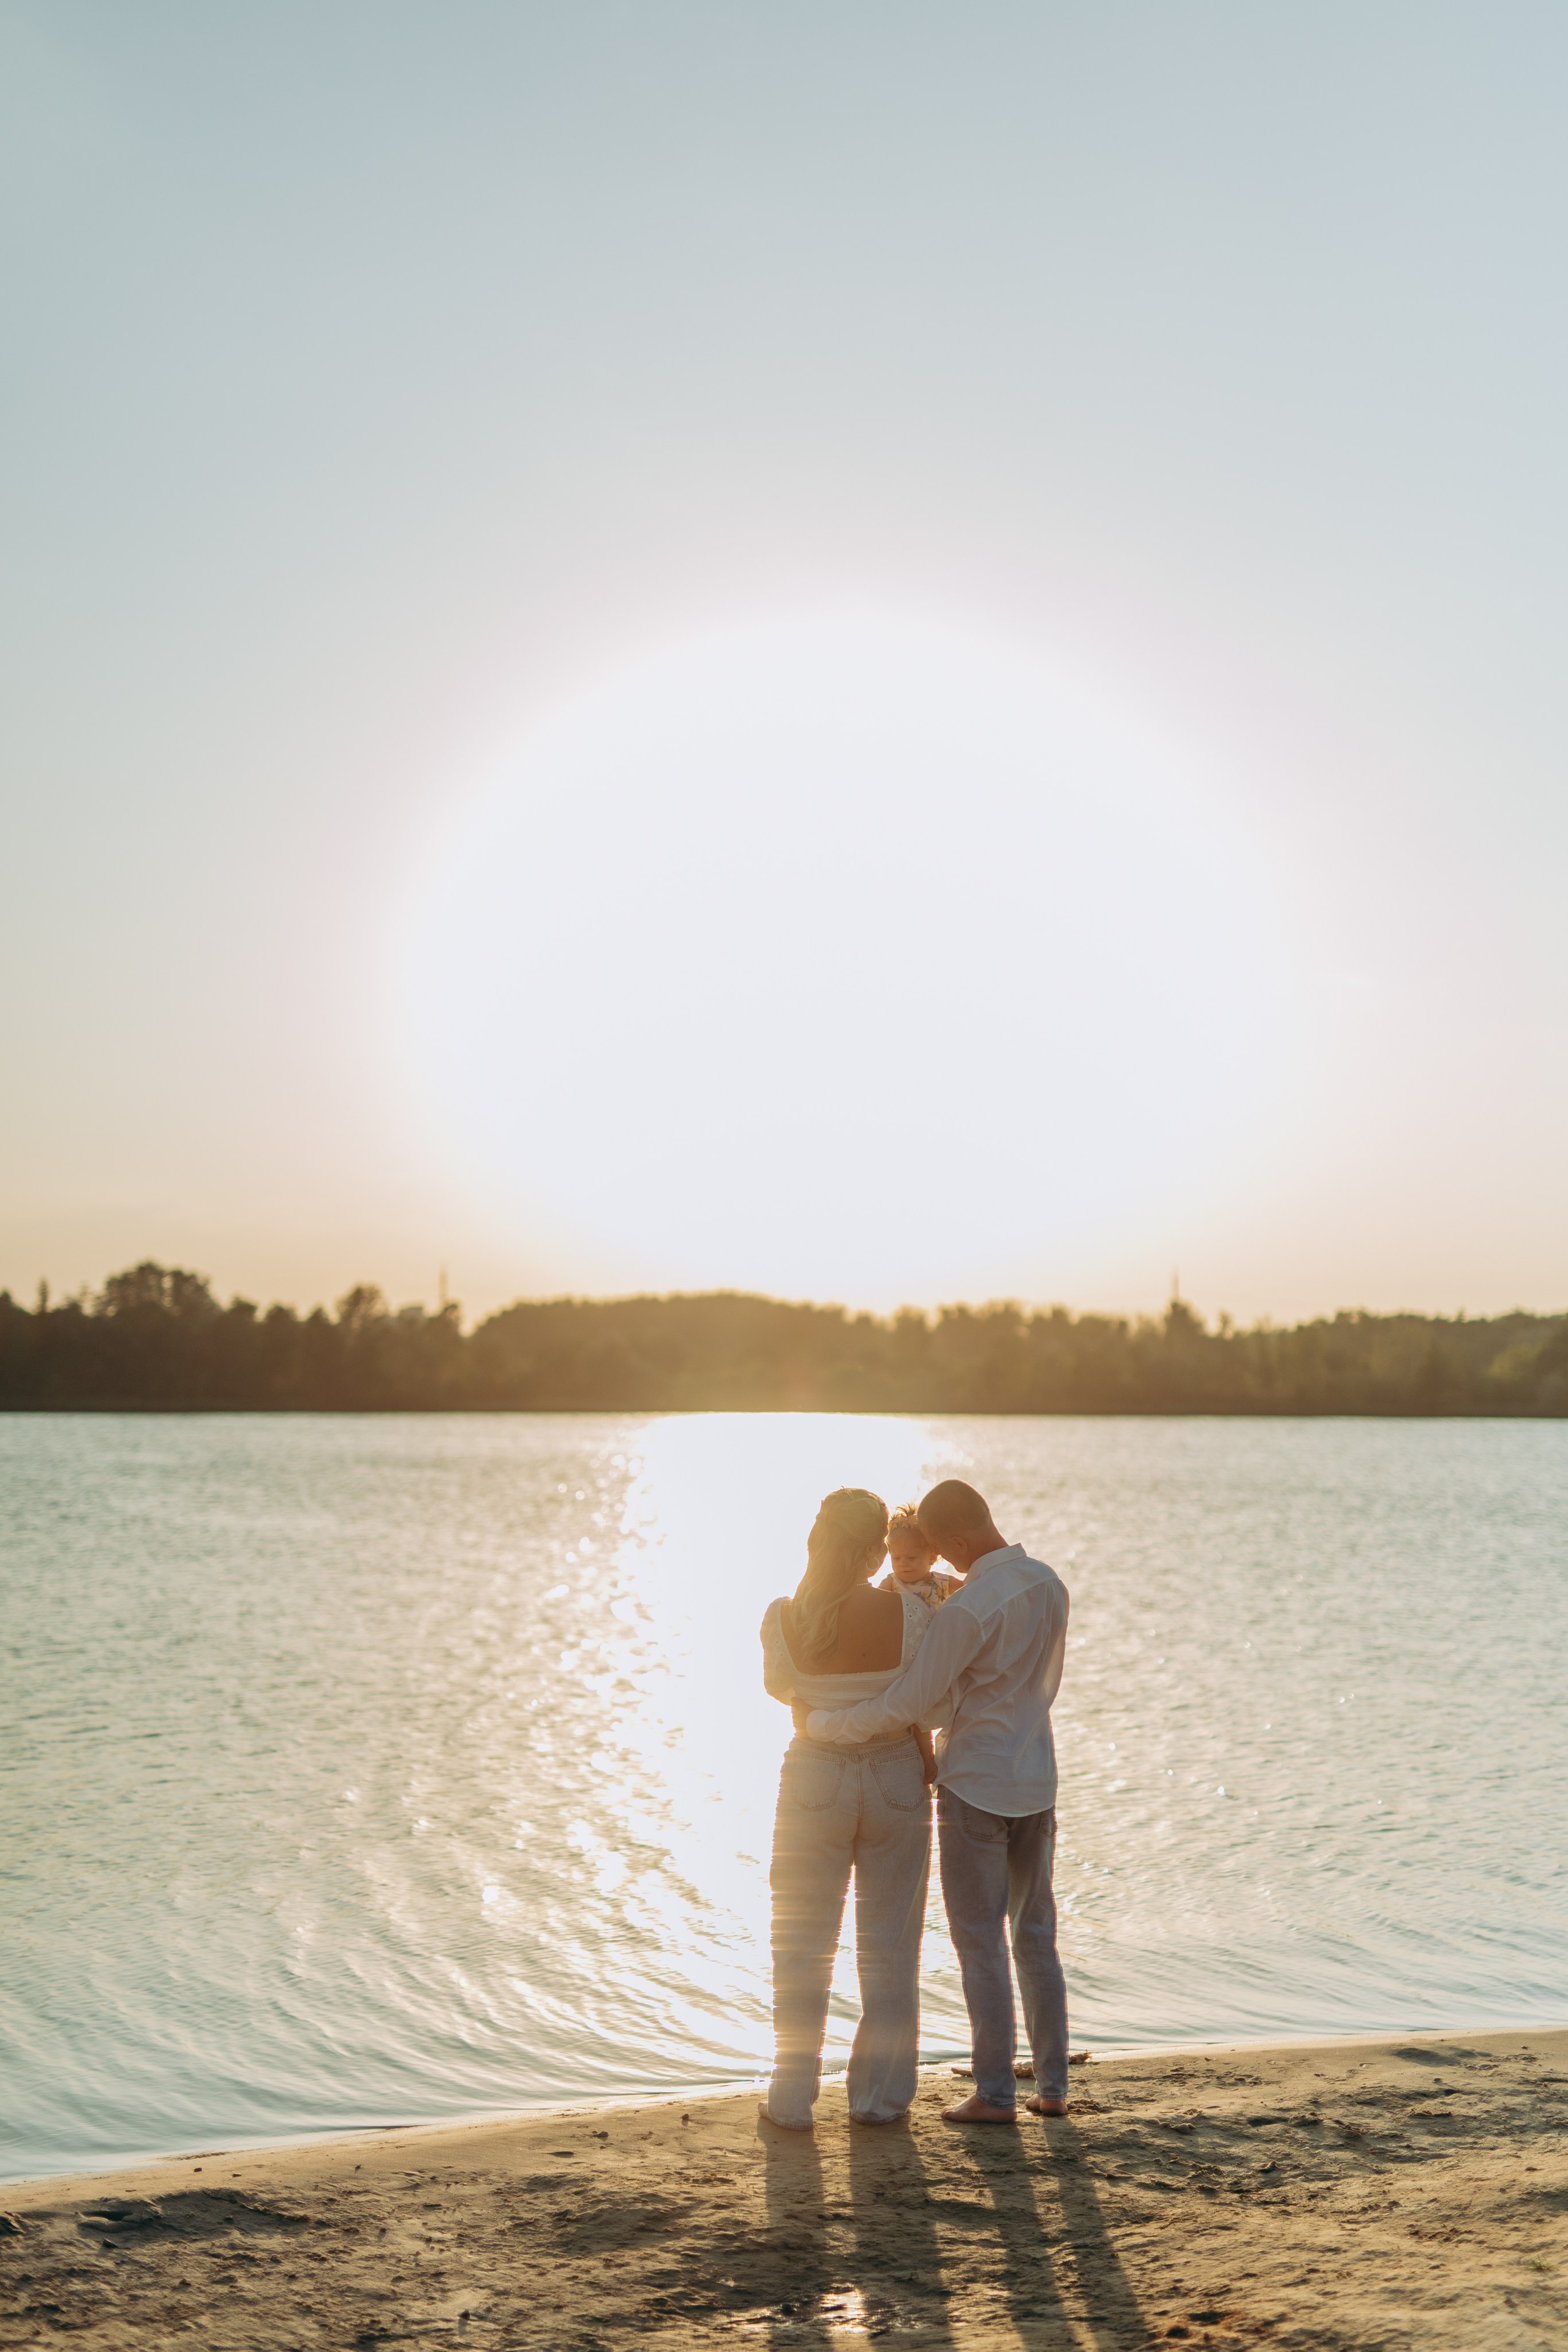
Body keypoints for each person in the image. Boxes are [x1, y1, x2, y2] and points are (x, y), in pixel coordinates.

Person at [805, 1478, 1070, 2124]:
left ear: (954, 1539)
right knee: (1035, 1936)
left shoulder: (966, 1609)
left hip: (975, 1784)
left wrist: (830, 1725)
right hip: (1036, 1778)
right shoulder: (1048, 1584)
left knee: (978, 1941)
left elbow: (912, 1703)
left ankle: (995, 2095)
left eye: (935, 1544)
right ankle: (1053, 2087)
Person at [759, 1487, 949, 2130]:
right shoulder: (913, 1617)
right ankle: (879, 2099)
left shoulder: (784, 1615)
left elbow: (784, 1693)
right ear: (877, 1551)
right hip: (896, 1772)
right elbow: (933, 1705)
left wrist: (823, 1715)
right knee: (889, 1945)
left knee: (802, 1945)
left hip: (814, 1773)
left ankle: (790, 2100)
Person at [883, 1501, 963, 1608]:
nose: (903, 1563)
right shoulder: (892, 1582)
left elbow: (973, 1590)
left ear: (932, 1558)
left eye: (911, 1558)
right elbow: (873, 1602)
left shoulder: (943, 1582)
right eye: (896, 1558)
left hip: (936, 1626)